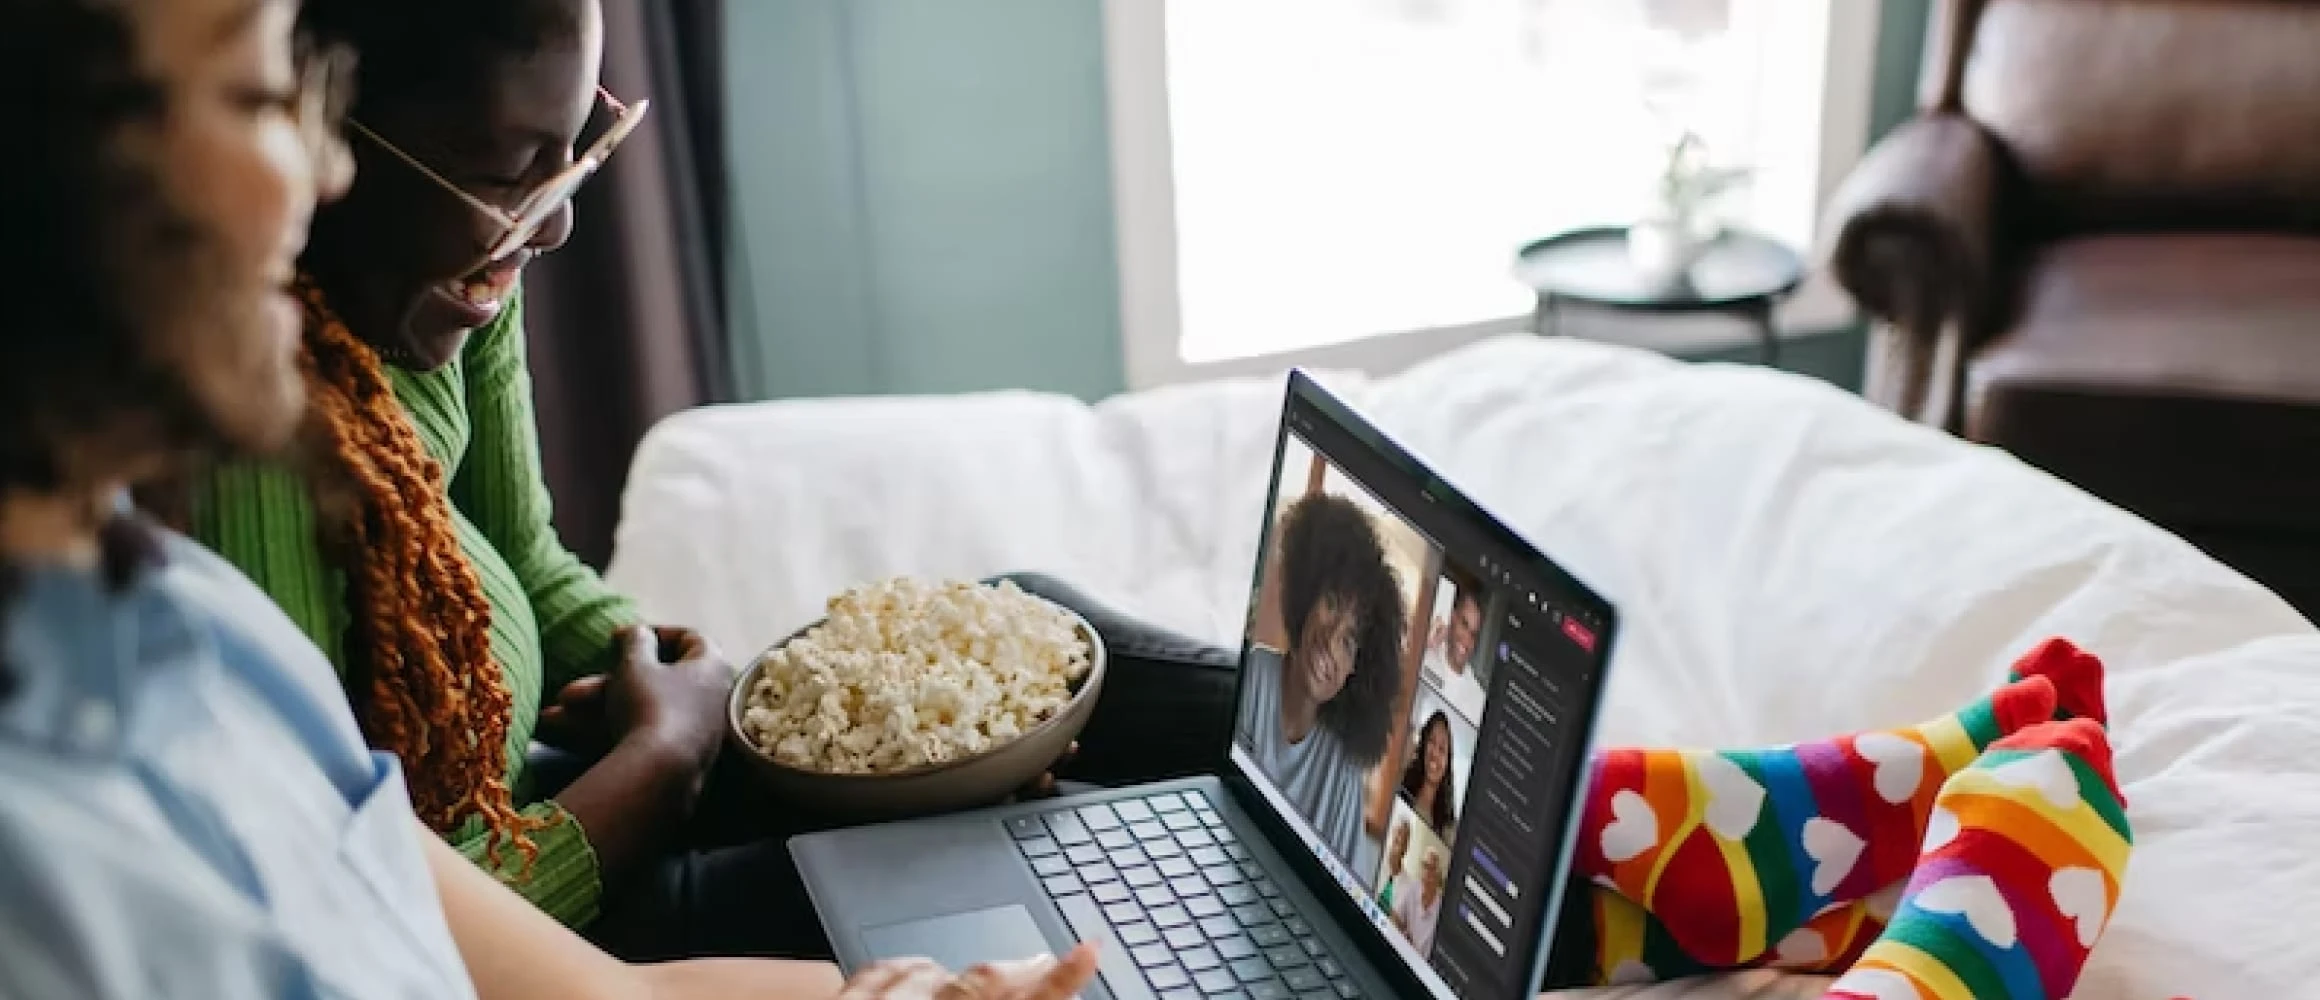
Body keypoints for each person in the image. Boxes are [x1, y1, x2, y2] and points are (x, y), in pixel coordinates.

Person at [0, 0, 1097, 997]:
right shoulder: (66, 833)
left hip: (556, 791)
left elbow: (619, 995)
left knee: (1031, 630)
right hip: (572, 828)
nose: (312, 167)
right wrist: (667, 757)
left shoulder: (196, 626)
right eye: (254, 96)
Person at [1234, 492, 1406, 879]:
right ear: (1306, 597)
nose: (1330, 640)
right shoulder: (1249, 676)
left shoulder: (1342, 765)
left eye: (1349, 640)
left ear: (1356, 671)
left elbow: (1347, 887)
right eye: (1330, 603)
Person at [1421, 569, 1488, 722]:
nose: (1467, 640)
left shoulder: (1479, 700)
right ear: (1452, 617)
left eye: (1474, 634)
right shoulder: (1426, 655)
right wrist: (1424, 644)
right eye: (1464, 624)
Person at [1399, 710, 1459, 838]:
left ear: (1448, 762)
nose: (1435, 754)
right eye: (1431, 741)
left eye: (1442, 749)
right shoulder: (1401, 787)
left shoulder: (1449, 827)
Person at [1392, 847, 1446, 954]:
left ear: (1438, 875)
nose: (1427, 872)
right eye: (1425, 866)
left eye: (1432, 868)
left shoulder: (1441, 910)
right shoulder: (1412, 888)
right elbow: (1395, 918)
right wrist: (1403, 934)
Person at [1376, 819, 1413, 911]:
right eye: (1397, 833)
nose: (1398, 838)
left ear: (1406, 847)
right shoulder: (1376, 856)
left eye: (1402, 837)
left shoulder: (1408, 885)